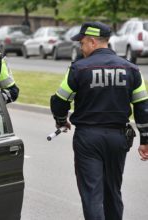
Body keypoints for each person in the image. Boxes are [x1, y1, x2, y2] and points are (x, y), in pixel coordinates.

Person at [50, 21, 148, 220]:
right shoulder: (131, 69)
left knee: (92, 194)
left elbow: (59, 100)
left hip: (88, 139)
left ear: (93, 42)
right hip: (118, 138)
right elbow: (143, 107)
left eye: (82, 43)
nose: (80, 47)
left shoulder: (78, 69)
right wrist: (145, 140)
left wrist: (61, 121)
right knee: (113, 191)